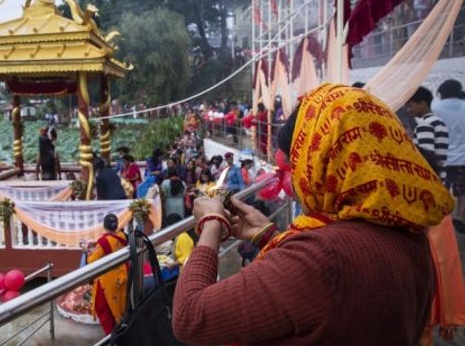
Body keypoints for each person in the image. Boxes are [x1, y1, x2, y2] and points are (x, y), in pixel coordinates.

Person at [172, 84, 453, 345]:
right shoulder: (411, 234)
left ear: (326, 161)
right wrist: (268, 235)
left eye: (297, 166)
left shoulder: (323, 258)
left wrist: (211, 222)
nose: (294, 184)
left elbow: (190, 317)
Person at [86, 214, 128, 335]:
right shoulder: (122, 236)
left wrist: (87, 251)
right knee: (119, 307)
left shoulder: (104, 240)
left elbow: (91, 260)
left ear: (104, 226)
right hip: (122, 275)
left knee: (103, 309)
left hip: (108, 279)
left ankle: (111, 337)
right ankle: (119, 332)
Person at [432, 79, 465, 220]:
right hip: (463, 158)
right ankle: (461, 219)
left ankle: (443, 225)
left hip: (441, 159)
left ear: (441, 93)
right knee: (463, 192)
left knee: (440, 191)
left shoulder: (435, 108)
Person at [406, 86, 449, 181]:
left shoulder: (424, 124)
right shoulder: (439, 121)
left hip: (432, 177)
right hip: (442, 173)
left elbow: (426, 155)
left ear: (422, 104)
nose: (407, 110)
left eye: (410, 106)